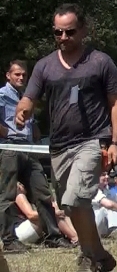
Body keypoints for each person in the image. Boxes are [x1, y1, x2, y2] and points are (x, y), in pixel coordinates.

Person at [15, 3, 117, 272]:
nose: (63, 38)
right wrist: (23, 109)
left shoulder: (100, 62)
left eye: (69, 32)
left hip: (92, 141)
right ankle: (100, 255)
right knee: (70, 205)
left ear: (83, 30)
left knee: (76, 198)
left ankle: (88, 257)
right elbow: (30, 96)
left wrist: (115, 141)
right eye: (57, 33)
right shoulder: (45, 66)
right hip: (59, 146)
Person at [0, 60, 73, 252]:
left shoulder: (27, 97)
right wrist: (6, 133)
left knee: (42, 191)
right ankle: (8, 240)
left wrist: (35, 131)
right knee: (7, 195)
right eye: (17, 74)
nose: (21, 78)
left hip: (29, 149)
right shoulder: (1, 95)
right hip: (9, 149)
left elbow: (29, 122)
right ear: (8, 75)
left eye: (24, 75)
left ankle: (53, 236)